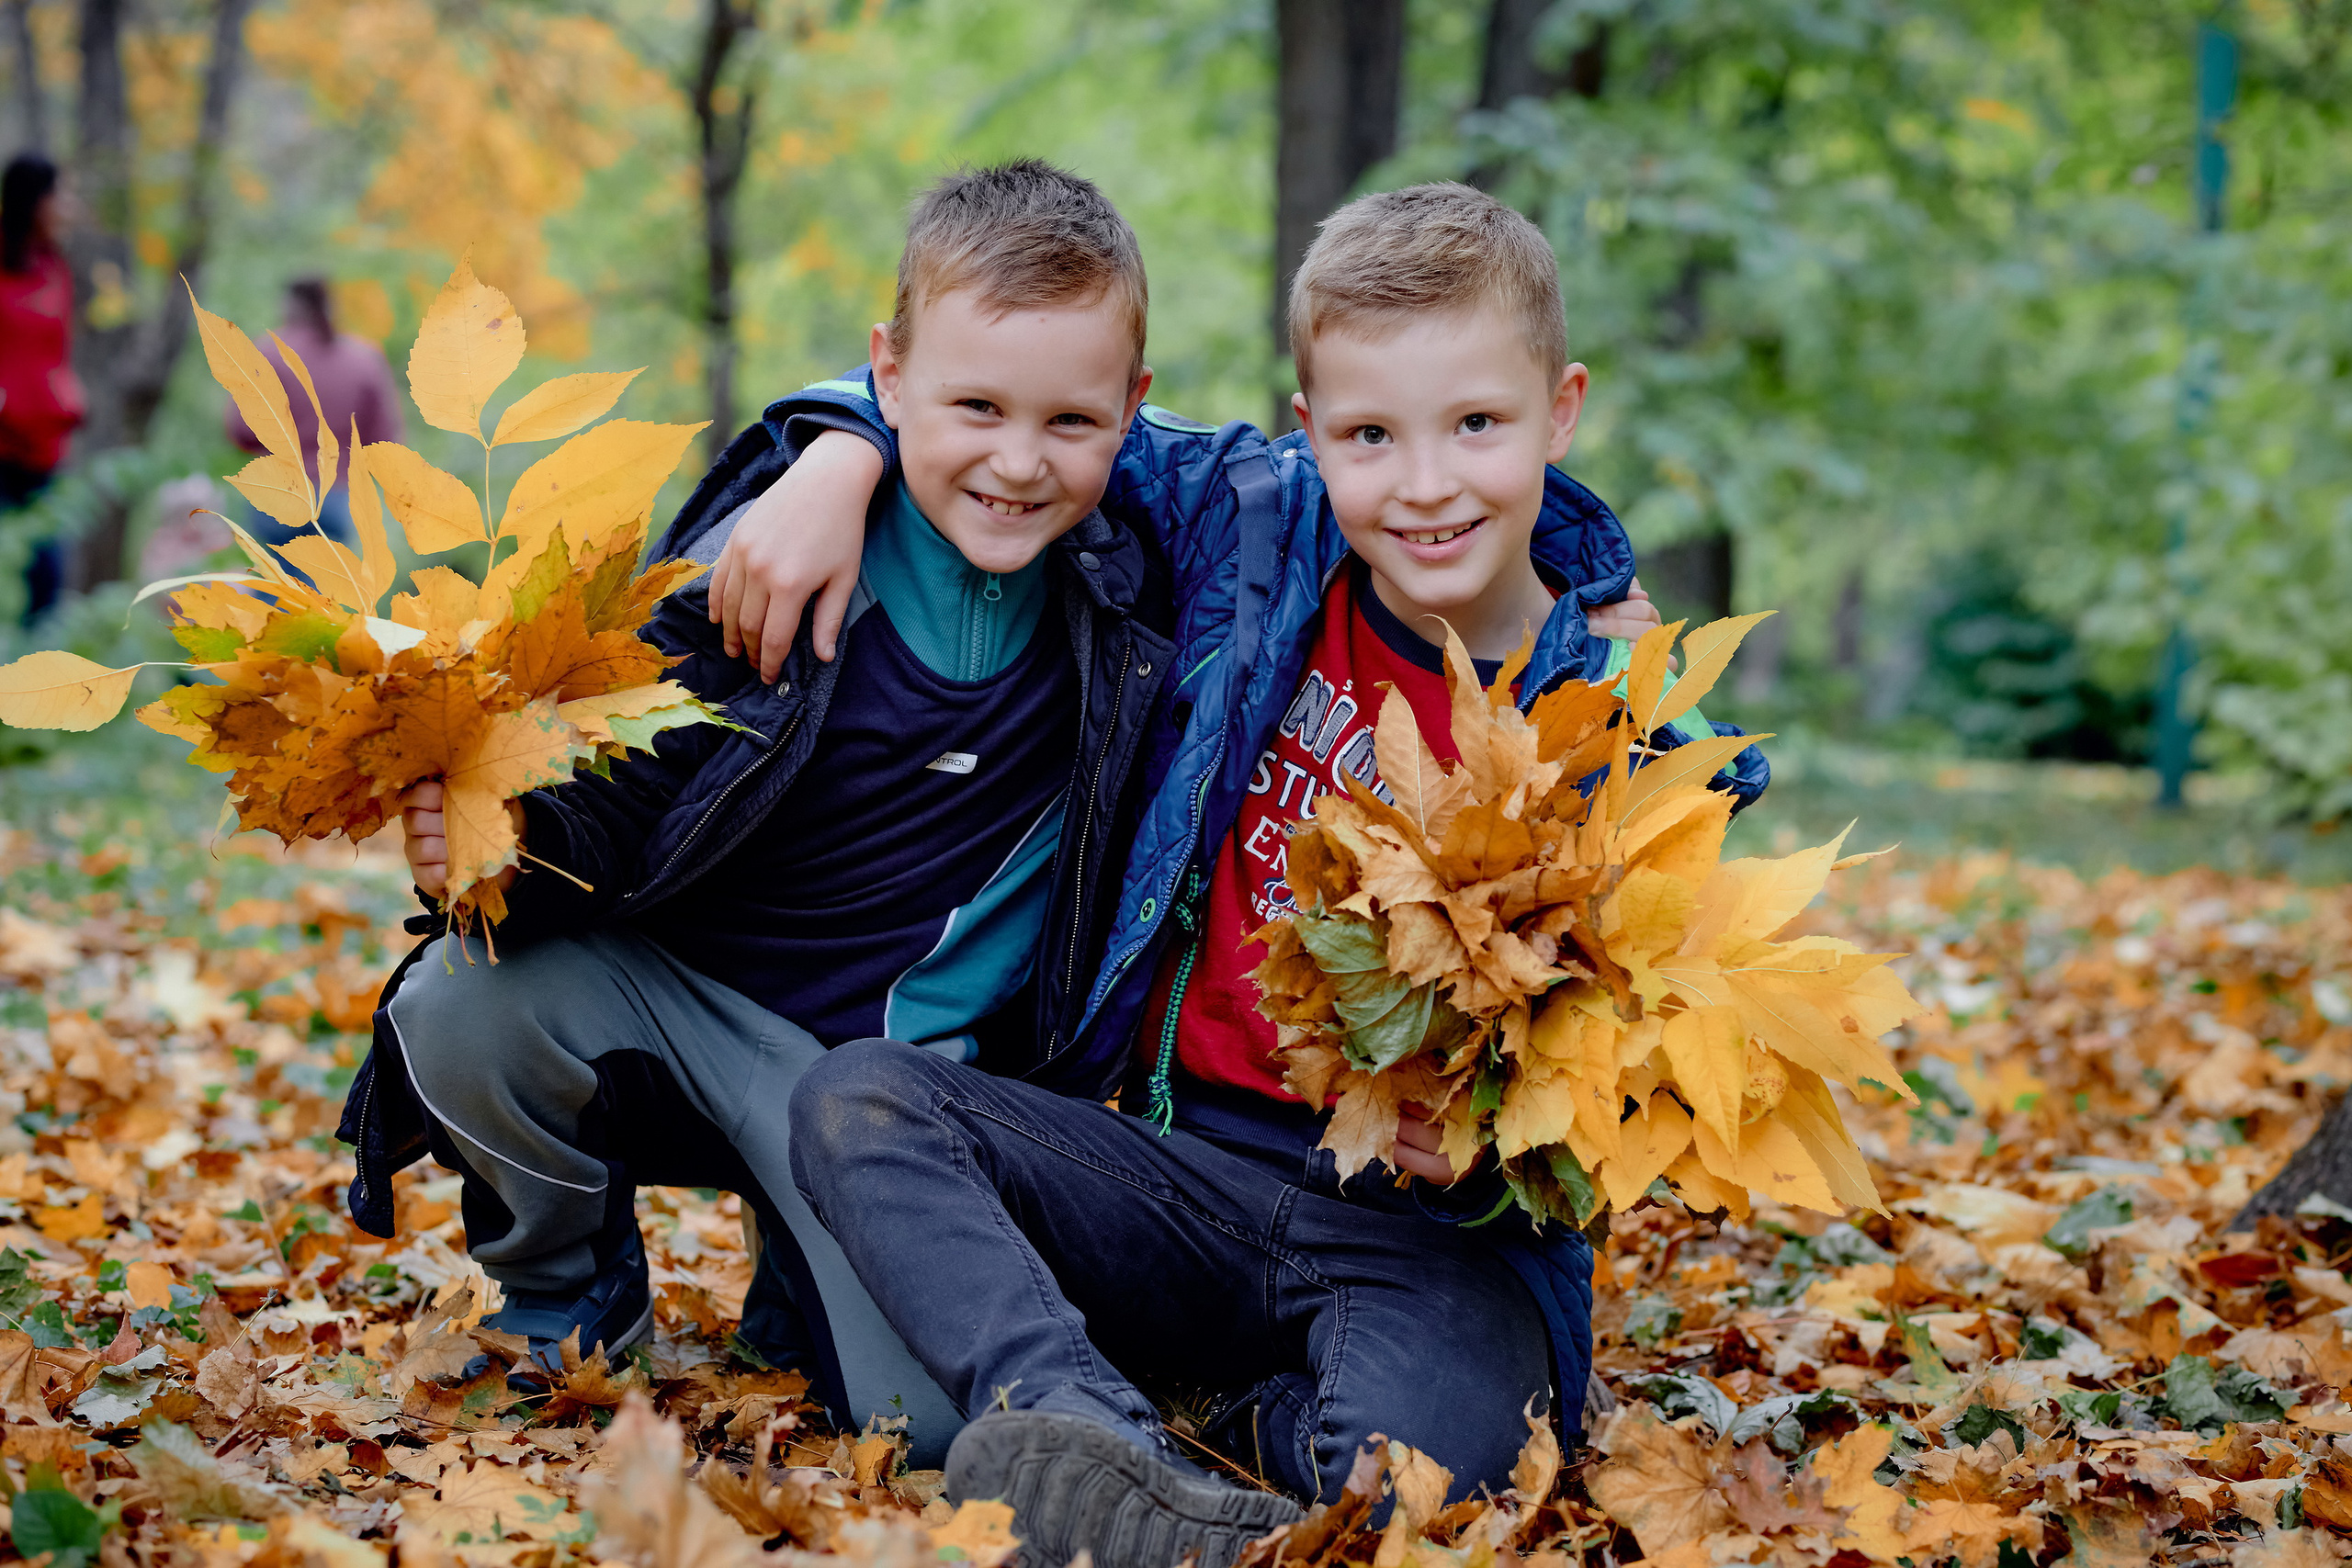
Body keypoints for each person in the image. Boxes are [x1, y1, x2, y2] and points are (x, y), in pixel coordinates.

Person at [713, 183, 1767, 1567]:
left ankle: (1231, 1456)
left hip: (1426, 1238)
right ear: (1309, 426)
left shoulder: (1622, 728)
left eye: (1477, 426)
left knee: (1418, 1491)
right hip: (1177, 1164)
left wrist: (1516, 1137)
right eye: (1371, 434)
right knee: (860, 1099)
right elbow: (1011, 400)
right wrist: (832, 455)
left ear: (1559, 412)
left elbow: (1676, 1071)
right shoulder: (1255, 534)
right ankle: (1084, 1423)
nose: (1428, 482)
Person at [224, 277, 402, 548]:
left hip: (278, 491)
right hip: (337, 495)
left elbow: (242, 431)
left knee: (276, 581)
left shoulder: (268, 354)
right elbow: (384, 440)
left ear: (290, 305)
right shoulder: (364, 359)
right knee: (327, 584)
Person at [0, 153, 85, 623]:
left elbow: (56, 351)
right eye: (60, 195)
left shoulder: (55, 267)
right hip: (1, 438)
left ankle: (34, 683)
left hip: (44, 442)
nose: (67, 207)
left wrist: (69, 394)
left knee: (47, 576)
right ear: (33, 201)